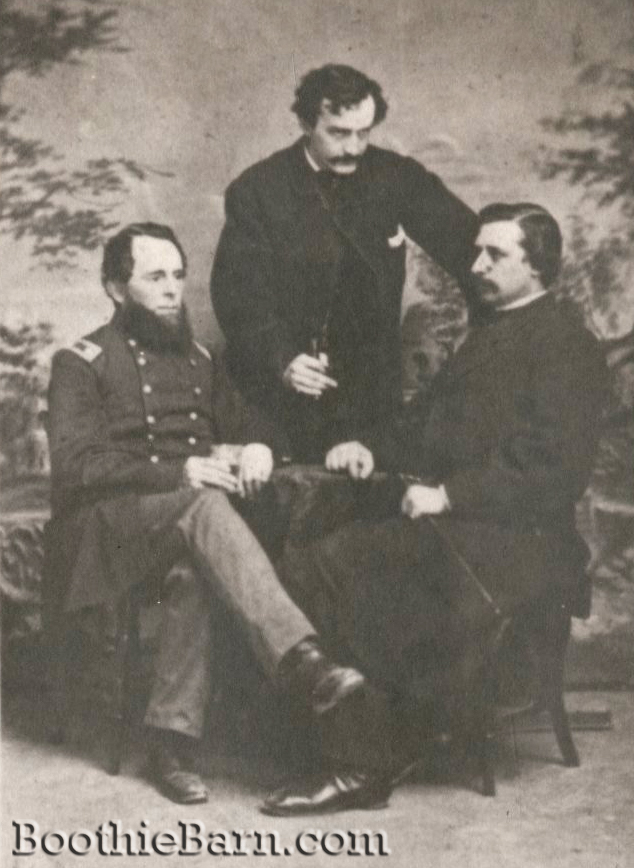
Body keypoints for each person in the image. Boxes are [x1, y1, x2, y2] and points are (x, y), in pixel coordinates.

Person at [265, 202, 609, 814]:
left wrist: (449, 495)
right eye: (477, 251)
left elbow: (551, 470)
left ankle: (365, 761)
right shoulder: (490, 333)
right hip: (469, 526)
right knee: (316, 540)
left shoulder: (566, 345)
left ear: (537, 265)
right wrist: (369, 447)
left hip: (525, 542)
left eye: (495, 255)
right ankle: (352, 728)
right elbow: (425, 427)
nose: (476, 265)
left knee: (342, 561)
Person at [45, 222, 395, 813]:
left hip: (181, 531)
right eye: (155, 277)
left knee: (194, 569)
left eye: (178, 276)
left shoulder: (200, 360)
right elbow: (76, 465)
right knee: (205, 504)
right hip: (108, 534)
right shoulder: (81, 362)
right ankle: (306, 666)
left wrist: (258, 445)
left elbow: (253, 421)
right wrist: (182, 470)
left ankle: (171, 745)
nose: (172, 290)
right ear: (115, 288)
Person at [211, 63, 478, 461]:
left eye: (363, 133)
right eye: (338, 133)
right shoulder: (257, 191)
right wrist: (281, 359)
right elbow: (237, 295)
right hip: (285, 398)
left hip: (371, 400)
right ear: (305, 123)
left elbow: (471, 246)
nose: (353, 148)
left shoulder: (397, 177)